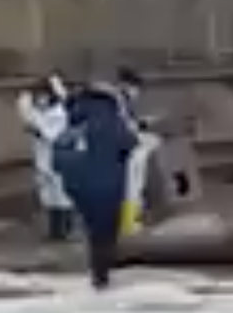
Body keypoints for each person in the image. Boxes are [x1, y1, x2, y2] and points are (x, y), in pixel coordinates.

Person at [53, 81, 141, 291]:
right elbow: (129, 143)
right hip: (110, 183)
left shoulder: (74, 122)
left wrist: (73, 174)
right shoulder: (112, 119)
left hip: (79, 185)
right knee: (106, 230)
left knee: (94, 227)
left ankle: (99, 273)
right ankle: (102, 274)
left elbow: (57, 158)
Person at [20, 74, 73, 240]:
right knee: (48, 195)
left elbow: (50, 134)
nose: (41, 101)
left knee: (61, 194)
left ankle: (64, 230)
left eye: (44, 97)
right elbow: (27, 113)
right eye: (38, 97)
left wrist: (35, 129)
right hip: (43, 159)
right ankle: (54, 230)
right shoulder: (39, 112)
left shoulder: (58, 113)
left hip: (58, 158)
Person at [113, 66, 160, 232]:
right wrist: (145, 124)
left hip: (124, 148)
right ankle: (127, 223)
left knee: (133, 186)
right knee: (131, 187)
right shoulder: (118, 101)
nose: (137, 92)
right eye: (136, 88)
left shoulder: (120, 100)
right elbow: (125, 127)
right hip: (124, 150)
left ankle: (129, 220)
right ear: (126, 85)